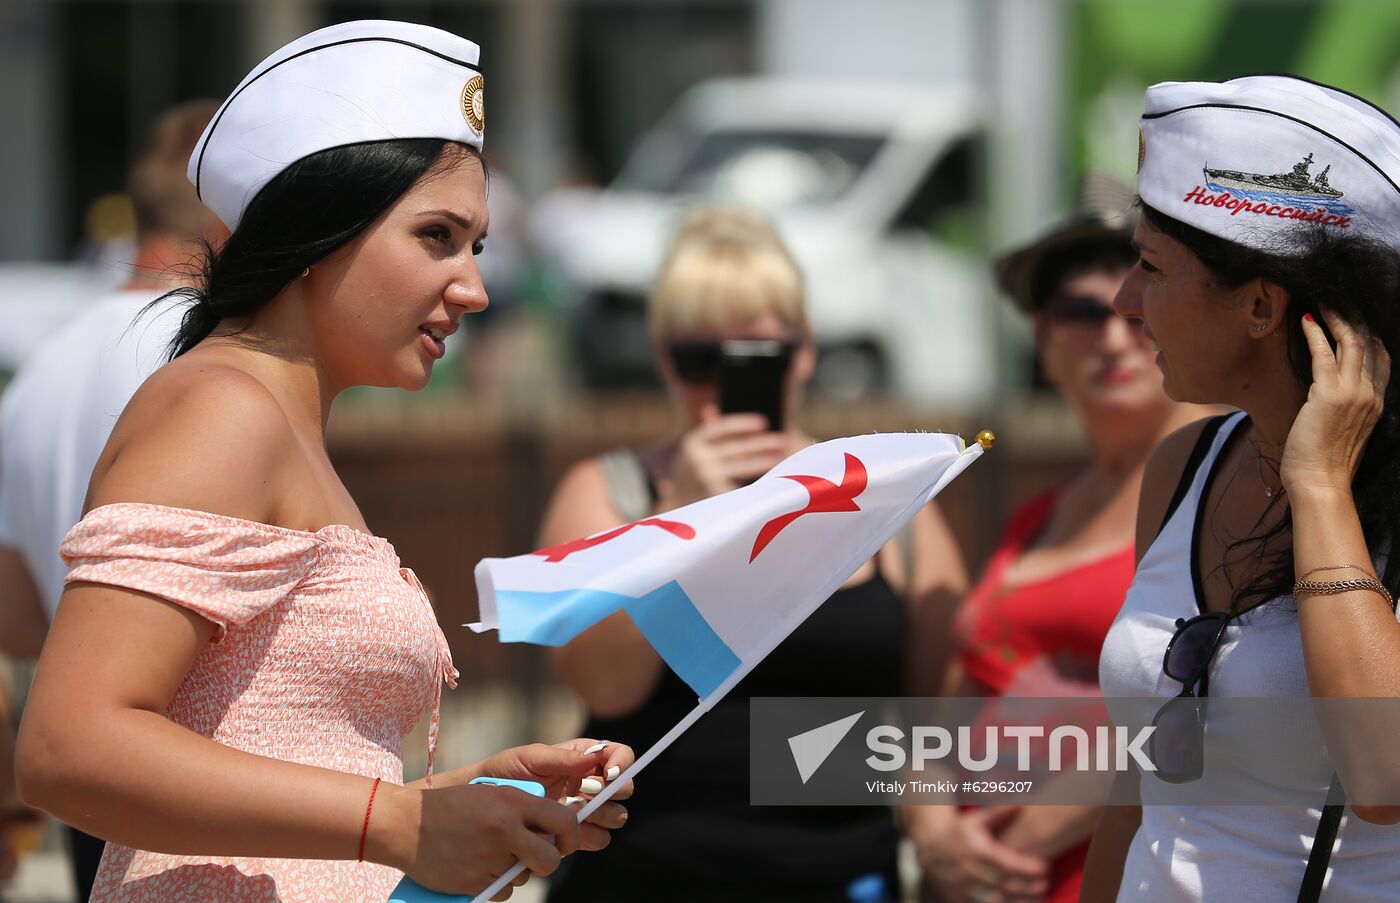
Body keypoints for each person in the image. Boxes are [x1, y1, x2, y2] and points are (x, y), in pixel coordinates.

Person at [14, 20, 632, 903]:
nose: (475, 287)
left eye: (477, 246)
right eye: (436, 237)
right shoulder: (222, 406)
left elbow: (282, 759)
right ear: (319, 230)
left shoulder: (275, 420)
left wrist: (456, 801)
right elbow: (68, 745)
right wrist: (401, 820)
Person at [537, 207, 969, 903]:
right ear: (660, 359)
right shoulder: (609, 491)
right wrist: (678, 518)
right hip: (650, 874)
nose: (723, 388)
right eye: (698, 360)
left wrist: (937, 826)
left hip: (840, 874)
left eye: (756, 359)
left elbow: (938, 720)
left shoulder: (889, 502)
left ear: (805, 352)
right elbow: (605, 685)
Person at [1083, 75, 1400, 901]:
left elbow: (1382, 771)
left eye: (1150, 267)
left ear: (1260, 305)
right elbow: (1141, 789)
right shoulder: (1183, 464)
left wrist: (1321, 488)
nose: (1125, 302)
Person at [906, 174, 1212, 903]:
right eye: (1080, 310)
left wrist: (1005, 845)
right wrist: (926, 821)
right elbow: (953, 701)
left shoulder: (1221, 489)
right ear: (1042, 339)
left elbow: (1206, 714)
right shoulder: (1037, 514)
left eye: (1137, 307)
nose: (1113, 333)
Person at [0, 97, 225, 903]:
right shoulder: (218, 359)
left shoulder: (39, 367)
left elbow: (20, 619)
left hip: (90, 784)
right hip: (206, 783)